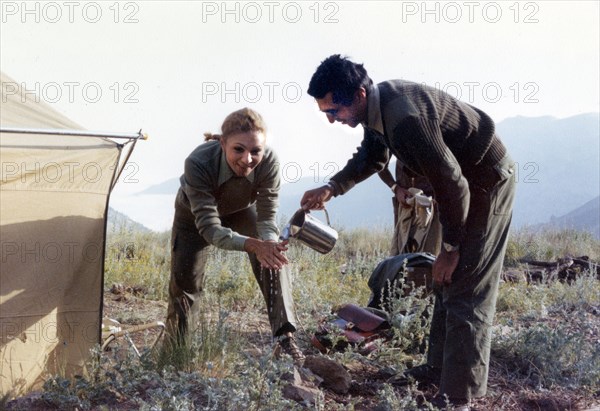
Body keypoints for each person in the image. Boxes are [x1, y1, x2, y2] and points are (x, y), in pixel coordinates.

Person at [301, 55, 516, 409]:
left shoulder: (405, 118)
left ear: (357, 94)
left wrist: (450, 247)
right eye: (325, 112)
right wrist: (332, 188)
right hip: (461, 183)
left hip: (487, 181)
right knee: (443, 280)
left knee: (467, 282)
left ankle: (458, 396)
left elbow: (453, 184)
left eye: (333, 111)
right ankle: (437, 370)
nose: (331, 119)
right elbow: (372, 157)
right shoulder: (377, 107)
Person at [166, 107, 304, 364]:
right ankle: (176, 357)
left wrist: (268, 245)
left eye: (255, 151)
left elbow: (266, 218)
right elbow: (210, 230)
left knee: (274, 255)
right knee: (185, 287)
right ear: (222, 143)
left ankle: (285, 337)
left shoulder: (270, 162)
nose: (248, 159)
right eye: (238, 149)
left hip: (241, 211)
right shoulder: (198, 162)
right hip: (195, 219)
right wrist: (253, 245)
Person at [378, 159, 442, 256]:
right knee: (401, 257)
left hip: (433, 206)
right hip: (404, 204)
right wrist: (396, 188)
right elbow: (377, 162)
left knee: (430, 257)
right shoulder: (395, 143)